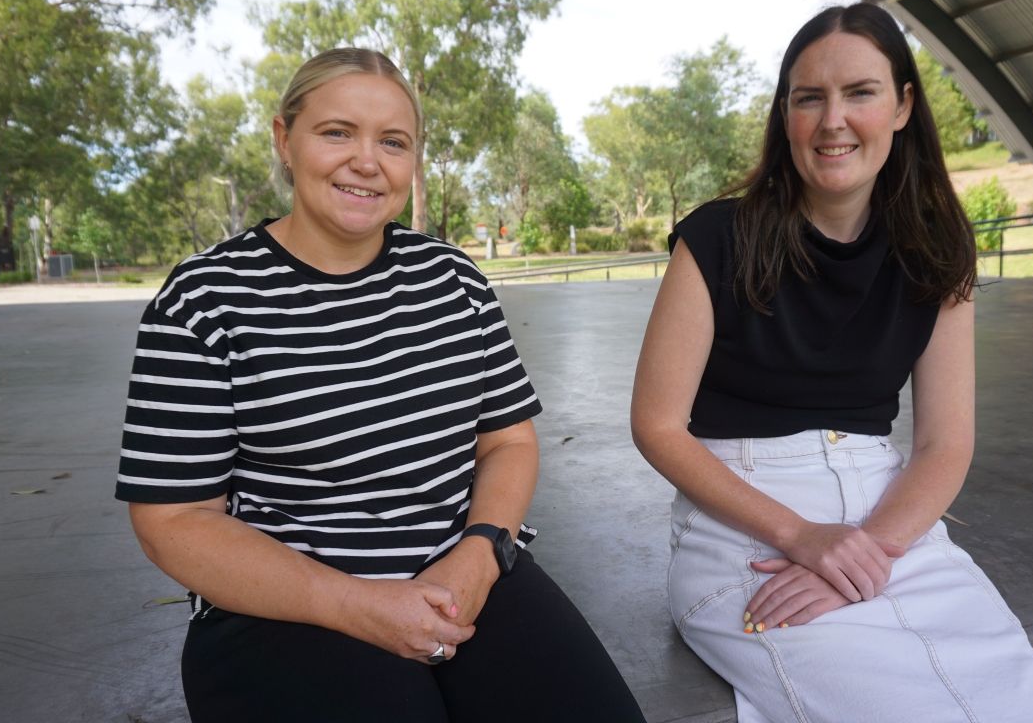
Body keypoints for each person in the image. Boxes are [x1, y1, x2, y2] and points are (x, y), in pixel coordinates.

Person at [116, 47, 645, 723]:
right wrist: (359, 606)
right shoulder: (206, 298)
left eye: (393, 142)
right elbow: (172, 521)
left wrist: (480, 555)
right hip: (287, 606)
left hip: (464, 575)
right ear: (285, 138)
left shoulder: (454, 282)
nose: (367, 161)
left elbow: (508, 442)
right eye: (337, 132)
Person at [631, 3, 1033, 722]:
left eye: (859, 92)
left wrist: (866, 553)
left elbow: (943, 443)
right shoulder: (715, 237)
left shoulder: (938, 246)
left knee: (1012, 694)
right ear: (786, 115)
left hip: (887, 512)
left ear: (902, 106)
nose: (833, 120)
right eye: (809, 98)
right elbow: (657, 425)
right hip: (749, 521)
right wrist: (803, 539)